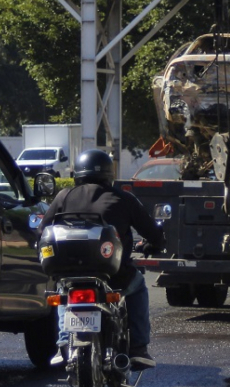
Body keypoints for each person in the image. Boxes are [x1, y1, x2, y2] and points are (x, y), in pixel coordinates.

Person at [39, 149, 165, 370]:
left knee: (63, 291)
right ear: (109, 173)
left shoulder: (64, 196)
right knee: (138, 287)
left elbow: (42, 231)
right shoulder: (123, 198)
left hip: (69, 272)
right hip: (115, 276)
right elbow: (154, 234)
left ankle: (63, 343)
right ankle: (138, 348)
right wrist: (153, 244)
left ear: (77, 172)